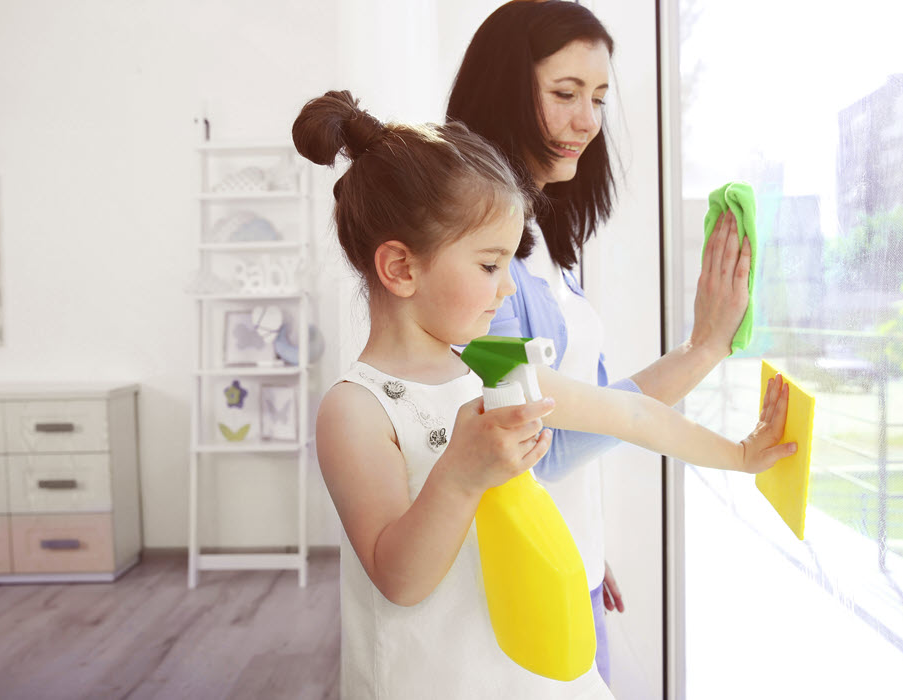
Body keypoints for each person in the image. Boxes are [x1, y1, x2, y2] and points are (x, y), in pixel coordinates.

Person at [295, 90, 793, 698]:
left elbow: (628, 411)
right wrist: (459, 474)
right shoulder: (356, 409)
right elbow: (399, 579)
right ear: (401, 268)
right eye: (488, 265)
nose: (507, 289)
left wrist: (739, 455)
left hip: (524, 677)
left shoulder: (494, 368)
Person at [447, 1, 754, 684]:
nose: (588, 121)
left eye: (598, 98)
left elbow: (588, 411)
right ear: (504, 89)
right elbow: (542, 443)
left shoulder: (551, 249)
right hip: (525, 584)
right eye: (564, 94)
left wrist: (590, 541)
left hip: (570, 562)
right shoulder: (481, 263)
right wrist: (701, 349)